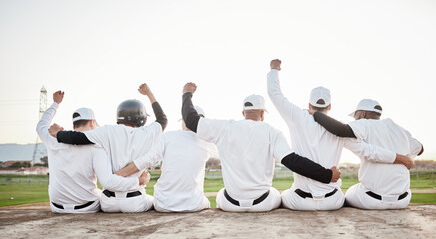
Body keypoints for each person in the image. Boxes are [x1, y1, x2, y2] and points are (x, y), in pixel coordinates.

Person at [267, 59, 413, 211]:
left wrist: (274, 69)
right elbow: (368, 151)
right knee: (347, 193)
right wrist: (398, 157)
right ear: (330, 106)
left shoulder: (296, 116)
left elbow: (274, 93)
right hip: (332, 202)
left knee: (280, 195)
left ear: (309, 105)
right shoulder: (340, 127)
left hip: (300, 201)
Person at [181, 82, 341, 212]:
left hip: (230, 204)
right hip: (263, 204)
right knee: (280, 195)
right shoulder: (272, 131)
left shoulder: (224, 128)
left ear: (243, 113)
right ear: (263, 114)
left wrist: (187, 94)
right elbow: (293, 161)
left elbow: (191, 120)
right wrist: (326, 175)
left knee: (220, 194)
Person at [48, 83, 168, 212]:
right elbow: (162, 119)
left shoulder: (106, 131)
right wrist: (149, 94)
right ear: (142, 118)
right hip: (135, 201)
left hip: (108, 203)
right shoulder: (148, 133)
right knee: (154, 201)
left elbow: (79, 138)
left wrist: (58, 133)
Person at [311, 98, 423, 209]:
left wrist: (315, 113)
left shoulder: (364, 124)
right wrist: (404, 154)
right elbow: (420, 148)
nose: (355, 120)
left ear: (363, 114)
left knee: (348, 192)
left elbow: (341, 130)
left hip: (371, 201)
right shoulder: (400, 130)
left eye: (355, 116)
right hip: (403, 200)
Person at [115, 106, 218, 212]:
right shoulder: (207, 142)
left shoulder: (168, 136)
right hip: (193, 205)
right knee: (207, 202)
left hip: (163, 204)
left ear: (184, 121)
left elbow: (146, 160)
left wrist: (117, 175)